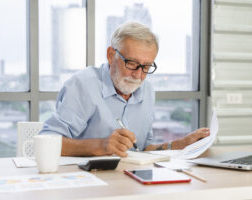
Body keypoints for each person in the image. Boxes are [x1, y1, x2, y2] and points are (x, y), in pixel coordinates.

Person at [40, 21, 210, 157]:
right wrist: (101, 145)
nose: (138, 75)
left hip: (130, 182)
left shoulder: (147, 90)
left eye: (146, 67)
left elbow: (142, 150)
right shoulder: (83, 85)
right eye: (132, 63)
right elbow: (45, 141)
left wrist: (179, 145)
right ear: (111, 55)